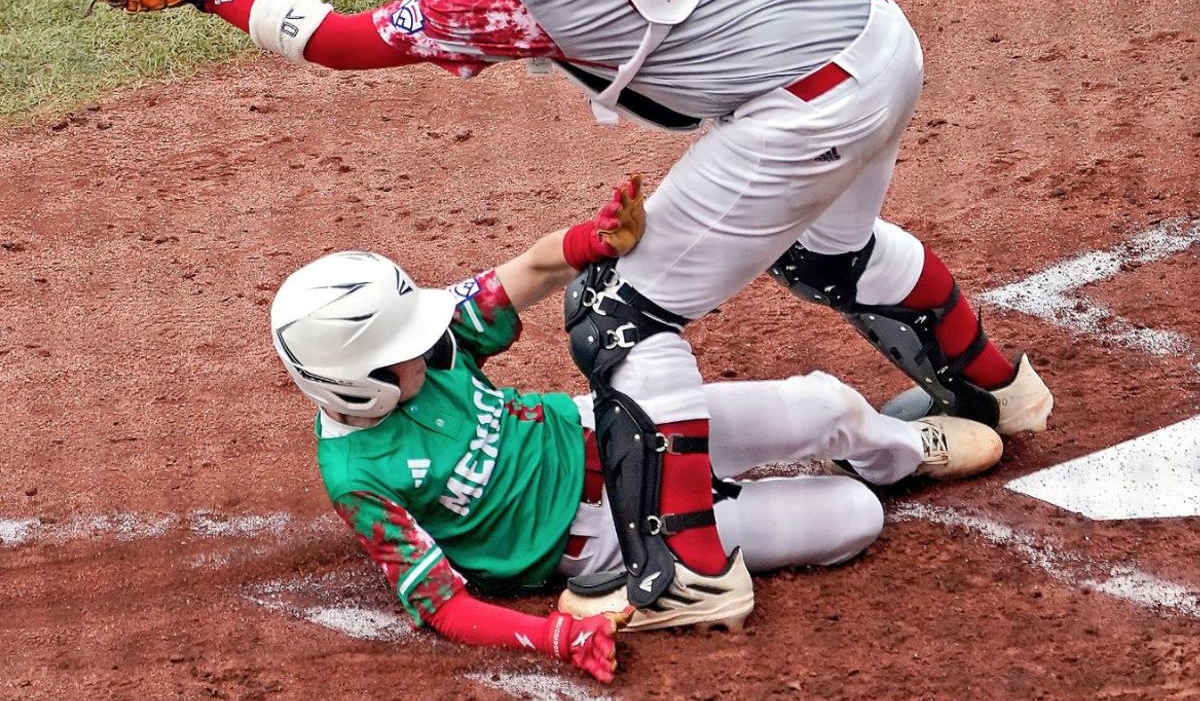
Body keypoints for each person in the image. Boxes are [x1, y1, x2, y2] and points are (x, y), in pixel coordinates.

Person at [79, 0, 1052, 631]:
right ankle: (993, 388)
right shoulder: (366, 463)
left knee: (621, 312)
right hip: (870, 35)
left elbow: (342, 40)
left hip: (799, 105)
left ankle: (688, 572)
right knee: (829, 266)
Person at [268, 178, 1002, 682]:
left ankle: (902, 452)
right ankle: (646, 587)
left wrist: (596, 237)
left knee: (829, 405)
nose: (427, 349)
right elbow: (443, 606)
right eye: (402, 354)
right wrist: (557, 637)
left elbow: (527, 269)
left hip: (622, 426)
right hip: (610, 541)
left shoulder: (436, 346)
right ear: (349, 380)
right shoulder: (358, 476)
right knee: (852, 520)